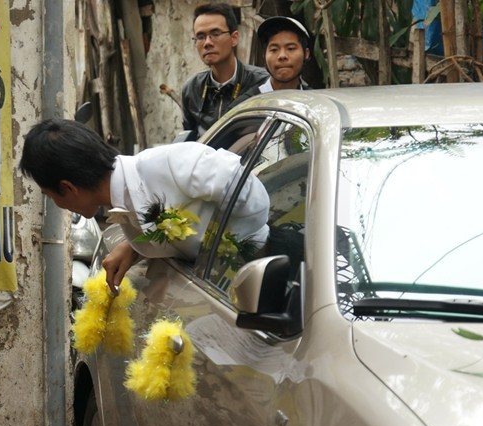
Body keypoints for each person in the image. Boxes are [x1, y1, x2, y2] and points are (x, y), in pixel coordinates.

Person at [20, 118, 269, 294]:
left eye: (51, 196)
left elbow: (252, 196)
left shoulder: (168, 163)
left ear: (68, 188)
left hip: (267, 269)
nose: (58, 205)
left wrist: (236, 246)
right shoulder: (123, 207)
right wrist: (136, 247)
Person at [181, 2, 267, 139]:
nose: (207, 42)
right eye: (200, 36)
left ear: (234, 38)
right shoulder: (192, 88)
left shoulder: (262, 83)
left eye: (215, 33)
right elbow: (188, 141)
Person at [231, 16, 311, 107]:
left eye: (291, 48)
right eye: (274, 49)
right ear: (264, 56)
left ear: (306, 53)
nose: (282, 56)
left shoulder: (315, 103)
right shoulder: (245, 107)